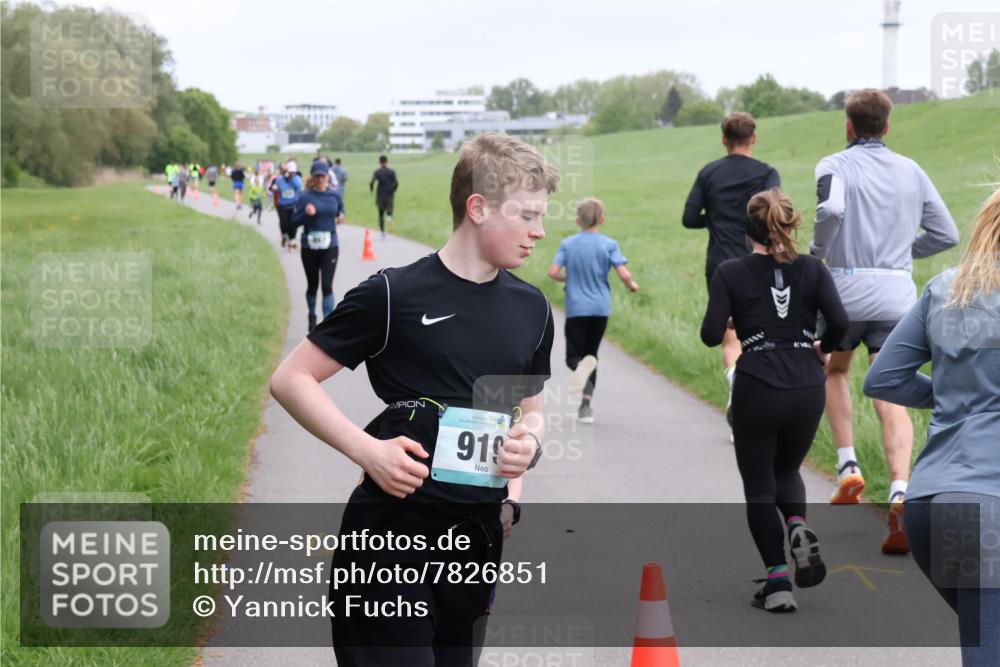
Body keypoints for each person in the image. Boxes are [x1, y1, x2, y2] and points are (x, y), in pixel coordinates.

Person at [269, 133, 558, 665]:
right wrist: (367, 451)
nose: (539, 232)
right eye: (527, 216)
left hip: (477, 539)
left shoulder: (533, 309)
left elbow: (529, 414)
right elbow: (291, 379)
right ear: (478, 208)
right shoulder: (392, 295)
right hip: (391, 534)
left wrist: (521, 467)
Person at [811, 88, 959, 553]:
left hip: (844, 290)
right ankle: (900, 490)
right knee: (890, 383)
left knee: (834, 370)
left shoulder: (833, 164)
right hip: (896, 293)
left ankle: (848, 465)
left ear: (848, 125)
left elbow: (832, 209)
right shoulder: (912, 170)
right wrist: (901, 256)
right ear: (888, 126)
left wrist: (820, 251)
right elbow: (946, 233)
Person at [863, 185, 999, 666]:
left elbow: (883, 378)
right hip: (990, 509)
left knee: (985, 641)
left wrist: (951, 395)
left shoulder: (946, 288)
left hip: (931, 505)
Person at [700, 188, 849, 613]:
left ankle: (778, 581)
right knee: (787, 468)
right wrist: (822, 348)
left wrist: (731, 319)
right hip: (806, 385)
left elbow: (711, 335)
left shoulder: (731, 271)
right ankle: (798, 525)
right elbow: (840, 322)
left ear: (748, 229)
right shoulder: (813, 268)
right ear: (788, 224)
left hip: (757, 385)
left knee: (759, 486)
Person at [683, 112, 781, 437]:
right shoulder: (767, 173)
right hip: (760, 264)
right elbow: (775, 217)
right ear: (754, 137)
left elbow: (688, 218)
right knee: (761, 335)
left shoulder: (708, 172)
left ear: (724, 138)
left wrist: (714, 220)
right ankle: (754, 406)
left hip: (721, 264)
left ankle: (736, 385)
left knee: (731, 336)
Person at [547, 197, 639, 423]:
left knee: (574, 357)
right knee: (592, 355)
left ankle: (578, 368)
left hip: (577, 307)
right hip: (600, 308)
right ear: (603, 219)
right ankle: (585, 406)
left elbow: (552, 272)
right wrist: (631, 285)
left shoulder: (568, 244)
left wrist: (567, 278)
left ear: (578, 220)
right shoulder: (609, 244)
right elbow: (624, 273)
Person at [291, 161, 345, 331]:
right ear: (312, 178)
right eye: (317, 176)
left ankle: (327, 326)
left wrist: (341, 215)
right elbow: (294, 221)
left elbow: (340, 210)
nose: (321, 179)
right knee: (313, 285)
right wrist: (306, 215)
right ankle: (312, 315)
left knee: (327, 286)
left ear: (328, 176)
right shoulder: (305, 197)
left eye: (323, 176)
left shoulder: (335, 195)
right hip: (309, 247)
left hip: (330, 245)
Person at [274, 162, 303, 250]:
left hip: (294, 205)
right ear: (286, 171)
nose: (292, 174)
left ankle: (292, 239)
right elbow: (274, 187)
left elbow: (298, 187)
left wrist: (292, 178)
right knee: (284, 223)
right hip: (282, 205)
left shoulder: (297, 179)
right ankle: (284, 236)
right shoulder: (280, 179)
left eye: (293, 172)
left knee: (293, 223)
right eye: (290, 172)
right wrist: (274, 188)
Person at [370, 154, 398, 239]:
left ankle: (382, 232)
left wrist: (371, 190)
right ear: (387, 161)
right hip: (389, 194)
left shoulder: (377, 172)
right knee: (390, 209)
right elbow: (396, 183)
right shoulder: (392, 171)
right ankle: (389, 216)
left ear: (380, 162)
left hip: (380, 195)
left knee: (381, 214)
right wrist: (393, 190)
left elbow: (372, 182)